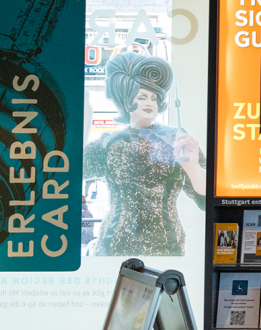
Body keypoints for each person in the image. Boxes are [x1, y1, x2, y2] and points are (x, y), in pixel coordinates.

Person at [84, 53, 205, 256]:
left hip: (166, 246)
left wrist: (192, 167)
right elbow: (70, 168)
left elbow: (205, 198)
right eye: (142, 96)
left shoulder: (178, 140)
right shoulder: (110, 143)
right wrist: (85, 116)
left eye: (154, 97)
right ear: (126, 100)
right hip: (114, 246)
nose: (150, 102)